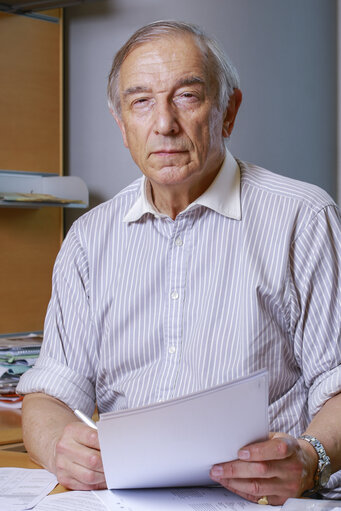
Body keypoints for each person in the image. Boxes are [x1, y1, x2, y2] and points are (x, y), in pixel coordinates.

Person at [17, 21, 341, 506]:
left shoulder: (304, 217)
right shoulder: (89, 239)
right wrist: (58, 445)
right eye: (141, 102)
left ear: (228, 111)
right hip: (124, 500)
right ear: (122, 125)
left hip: (264, 503)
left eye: (187, 97)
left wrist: (311, 457)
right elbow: (48, 396)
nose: (164, 123)